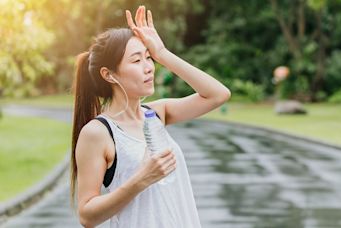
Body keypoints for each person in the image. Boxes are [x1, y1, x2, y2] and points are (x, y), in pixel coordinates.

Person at [70, 5, 231, 228]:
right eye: (136, 61)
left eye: (149, 58)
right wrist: (141, 179)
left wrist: (162, 53)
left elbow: (218, 95)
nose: (149, 68)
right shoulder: (98, 133)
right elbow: (86, 215)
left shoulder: (156, 114)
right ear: (109, 75)